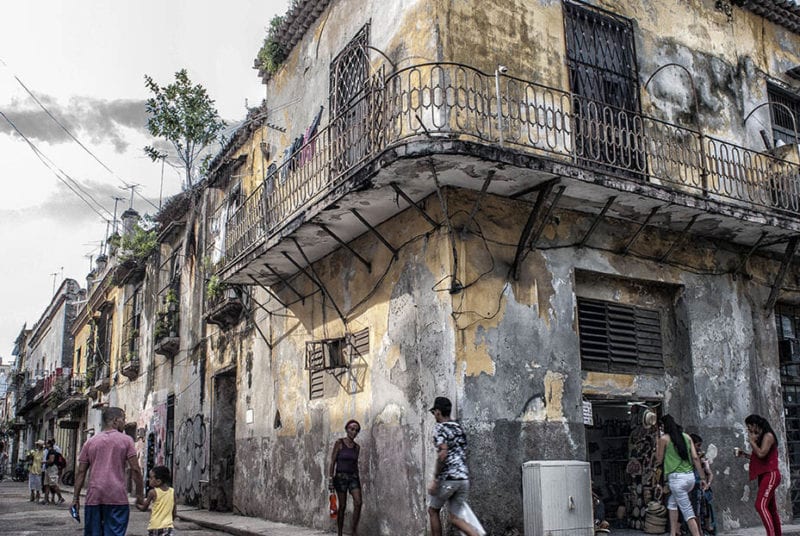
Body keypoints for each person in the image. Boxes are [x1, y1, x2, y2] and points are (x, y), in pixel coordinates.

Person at [73, 406, 144, 536]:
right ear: (116, 421)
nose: (124, 422)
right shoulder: (126, 440)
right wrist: (140, 495)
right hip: (117, 497)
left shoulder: (90, 442)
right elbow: (135, 469)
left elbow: (81, 472)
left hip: (94, 497)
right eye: (123, 419)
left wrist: (75, 499)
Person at [427, 396, 481, 536]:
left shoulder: (440, 428)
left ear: (438, 412)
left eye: (434, 413)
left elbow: (443, 453)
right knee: (455, 518)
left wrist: (435, 479)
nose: (434, 416)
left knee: (433, 510)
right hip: (463, 478)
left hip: (448, 478)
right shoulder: (458, 428)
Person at [655, 415, 707, 536]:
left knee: (688, 512)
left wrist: (658, 446)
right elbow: (695, 458)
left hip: (676, 480)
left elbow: (659, 459)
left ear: (663, 427)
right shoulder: (687, 437)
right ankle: (673, 534)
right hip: (690, 478)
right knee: (672, 504)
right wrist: (702, 478)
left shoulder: (664, 439)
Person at [735, 414, 782, 536]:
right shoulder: (761, 437)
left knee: (760, 505)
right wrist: (744, 454)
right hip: (764, 475)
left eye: (749, 426)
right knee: (771, 509)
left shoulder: (768, 436)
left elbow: (761, 453)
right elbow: (759, 458)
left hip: (770, 475)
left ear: (756, 425)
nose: (748, 429)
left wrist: (751, 442)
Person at [328, 419, 362, 536]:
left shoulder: (357, 447)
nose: (354, 432)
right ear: (347, 429)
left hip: (353, 477)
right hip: (340, 478)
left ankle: (353, 531)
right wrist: (331, 479)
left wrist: (357, 478)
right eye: (352, 429)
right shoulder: (339, 443)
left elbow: (355, 464)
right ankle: (340, 533)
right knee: (342, 506)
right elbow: (333, 462)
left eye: (356, 430)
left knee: (358, 502)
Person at [136, 465, 176, 536]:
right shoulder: (172, 492)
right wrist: (169, 521)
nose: (149, 480)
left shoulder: (152, 492)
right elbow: (174, 512)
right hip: (168, 527)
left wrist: (137, 505)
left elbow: (144, 508)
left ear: (158, 481)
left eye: (151, 478)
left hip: (155, 527)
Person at [689, 433, 715, 534]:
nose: (699, 448)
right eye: (698, 445)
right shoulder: (689, 458)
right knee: (696, 509)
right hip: (693, 485)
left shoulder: (702, 458)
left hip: (701, 485)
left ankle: (707, 526)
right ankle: (698, 530)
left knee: (706, 502)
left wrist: (708, 484)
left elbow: (710, 474)